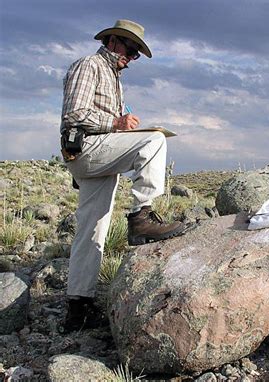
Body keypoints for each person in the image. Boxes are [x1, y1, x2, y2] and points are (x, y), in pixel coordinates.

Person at [60, 19, 186, 332]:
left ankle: (78, 308)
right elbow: (74, 115)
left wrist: (116, 124)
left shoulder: (113, 76)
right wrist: (116, 124)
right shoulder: (88, 65)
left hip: (94, 152)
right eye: (131, 49)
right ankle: (140, 217)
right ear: (114, 41)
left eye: (136, 54)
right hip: (88, 148)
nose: (132, 58)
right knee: (154, 139)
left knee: (93, 229)